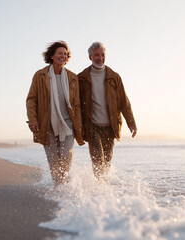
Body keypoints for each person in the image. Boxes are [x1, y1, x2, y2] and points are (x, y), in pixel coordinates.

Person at [26, 41, 84, 184]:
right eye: (60, 53)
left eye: (65, 54)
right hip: (47, 124)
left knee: (66, 157)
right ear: (52, 55)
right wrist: (33, 120)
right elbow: (31, 99)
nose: (63, 56)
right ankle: (59, 190)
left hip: (68, 124)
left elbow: (76, 104)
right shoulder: (40, 75)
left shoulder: (72, 77)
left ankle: (64, 185)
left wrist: (79, 126)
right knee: (53, 160)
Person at [78, 42, 137, 180]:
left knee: (107, 161)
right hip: (92, 125)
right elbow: (77, 104)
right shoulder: (81, 78)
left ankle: (103, 189)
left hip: (111, 126)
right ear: (90, 57)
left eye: (102, 54)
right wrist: (78, 126)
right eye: (96, 55)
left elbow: (124, 102)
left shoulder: (114, 77)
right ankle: (100, 192)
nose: (100, 58)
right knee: (98, 158)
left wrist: (131, 123)